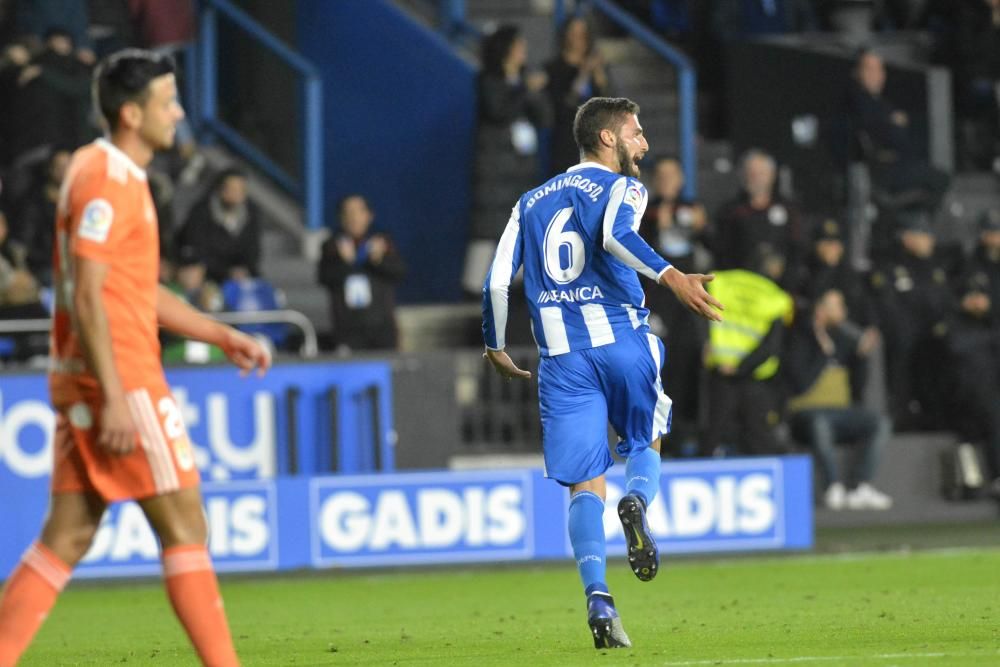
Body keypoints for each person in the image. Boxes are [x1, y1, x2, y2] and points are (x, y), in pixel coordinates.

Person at [0, 49, 271, 667]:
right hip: (120, 376)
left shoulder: (114, 173)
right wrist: (117, 392)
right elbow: (89, 296)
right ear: (130, 113)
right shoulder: (106, 179)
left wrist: (218, 332)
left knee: (66, 535)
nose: (177, 113)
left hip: (92, 377)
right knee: (185, 522)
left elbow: (133, 289)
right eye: (167, 102)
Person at [481, 97, 723, 649]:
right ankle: (637, 501)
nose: (644, 144)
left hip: (561, 360)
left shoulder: (529, 201)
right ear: (608, 140)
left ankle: (599, 600)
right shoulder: (624, 188)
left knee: (584, 484)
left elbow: (497, 282)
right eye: (636, 133)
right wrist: (671, 276)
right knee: (646, 435)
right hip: (620, 339)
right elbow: (615, 236)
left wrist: (495, 344)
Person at [785, 289, 893, 510]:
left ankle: (861, 485)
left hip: (839, 412)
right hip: (806, 412)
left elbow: (857, 388)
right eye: (837, 306)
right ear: (821, 311)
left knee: (879, 422)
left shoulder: (843, 341)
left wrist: (862, 358)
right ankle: (832, 485)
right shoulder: (798, 340)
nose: (843, 311)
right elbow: (799, 385)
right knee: (820, 423)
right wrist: (822, 354)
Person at [464, 24, 552, 294]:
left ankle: (517, 291)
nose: (523, 51)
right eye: (518, 46)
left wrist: (532, 90)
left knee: (520, 232)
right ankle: (473, 289)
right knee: (488, 233)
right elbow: (499, 111)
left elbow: (545, 117)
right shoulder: (487, 80)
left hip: (520, 175)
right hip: (493, 176)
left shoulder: (525, 81)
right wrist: (524, 88)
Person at [638, 155, 711, 451]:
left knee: (688, 366)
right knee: (657, 370)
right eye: (662, 176)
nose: (667, 181)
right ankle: (655, 440)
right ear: (654, 180)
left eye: (673, 175)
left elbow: (715, 244)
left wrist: (702, 228)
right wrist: (656, 228)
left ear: (681, 179)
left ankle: (685, 437)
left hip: (687, 306)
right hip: (656, 304)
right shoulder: (643, 212)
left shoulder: (693, 210)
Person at [701, 249, 795, 457]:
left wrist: (704, 344)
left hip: (719, 371)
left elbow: (696, 310)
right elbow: (771, 346)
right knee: (758, 439)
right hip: (754, 377)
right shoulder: (778, 298)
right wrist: (742, 366)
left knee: (712, 435)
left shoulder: (720, 281)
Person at [846, 49, 951, 216]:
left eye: (880, 69)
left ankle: (915, 224)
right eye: (869, 69)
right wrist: (892, 123)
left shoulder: (882, 103)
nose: (876, 75)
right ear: (858, 72)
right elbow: (886, 135)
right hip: (882, 171)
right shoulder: (857, 102)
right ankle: (912, 224)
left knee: (937, 177)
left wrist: (894, 123)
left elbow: (903, 138)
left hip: (901, 163)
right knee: (939, 179)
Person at [797, 217, 880, 399]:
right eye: (827, 243)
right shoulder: (804, 268)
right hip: (810, 331)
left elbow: (864, 303)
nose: (832, 248)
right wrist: (821, 309)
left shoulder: (847, 272)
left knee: (862, 349)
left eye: (836, 244)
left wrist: (871, 326)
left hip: (843, 331)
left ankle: (856, 403)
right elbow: (797, 300)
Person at [317, 194, 406, 352]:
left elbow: (399, 272)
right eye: (348, 213)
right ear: (341, 218)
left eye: (359, 212)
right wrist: (345, 262)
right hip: (348, 330)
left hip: (382, 329)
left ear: (369, 216)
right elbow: (324, 278)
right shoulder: (332, 246)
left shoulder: (382, 242)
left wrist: (377, 261)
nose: (354, 218)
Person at [940, 271, 1000, 497]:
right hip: (961, 398)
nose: (978, 301)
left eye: (981, 296)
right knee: (995, 412)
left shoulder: (992, 321)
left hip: (990, 393)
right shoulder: (952, 322)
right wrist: (991, 338)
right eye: (972, 296)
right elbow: (955, 347)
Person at [712, 149, 804, 288]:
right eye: (750, 173)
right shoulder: (730, 211)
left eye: (760, 173)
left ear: (772, 175)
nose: (755, 178)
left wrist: (784, 271)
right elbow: (720, 250)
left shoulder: (789, 210)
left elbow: (798, 248)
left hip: (779, 289)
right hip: (741, 288)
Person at [544, 16, 610, 176]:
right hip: (566, 139)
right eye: (573, 33)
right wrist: (584, 73)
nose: (578, 39)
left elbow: (608, 100)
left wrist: (598, 73)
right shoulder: (554, 68)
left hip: (595, 138)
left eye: (582, 34)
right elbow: (566, 103)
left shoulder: (597, 67)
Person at [176, 167, 262, 283]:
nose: (236, 193)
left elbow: (253, 250)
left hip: (238, 275)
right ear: (220, 189)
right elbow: (196, 250)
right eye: (232, 188)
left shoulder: (250, 213)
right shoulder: (202, 211)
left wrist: (243, 269)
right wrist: (225, 272)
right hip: (208, 273)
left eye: (240, 189)